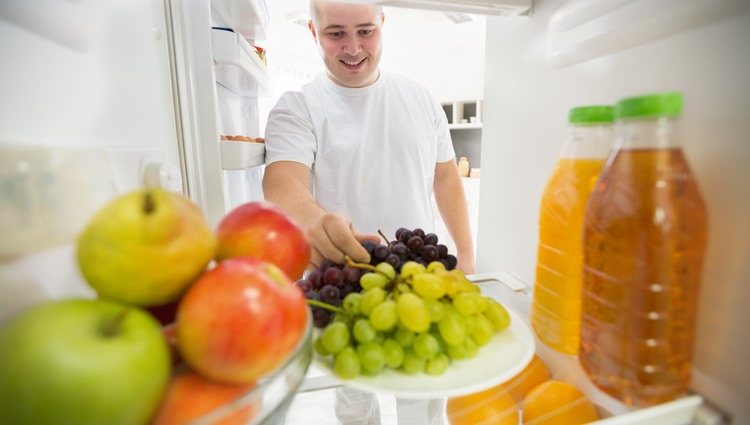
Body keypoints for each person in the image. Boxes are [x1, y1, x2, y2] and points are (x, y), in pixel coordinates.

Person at [263, 1, 475, 423]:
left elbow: (447, 178)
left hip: (418, 279)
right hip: (343, 281)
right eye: (335, 34)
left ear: (383, 24)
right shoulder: (297, 107)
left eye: (365, 31)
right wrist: (313, 220)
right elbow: (282, 182)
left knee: (423, 396)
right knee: (355, 399)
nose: (354, 47)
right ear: (312, 31)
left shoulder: (420, 98)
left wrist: (467, 256)